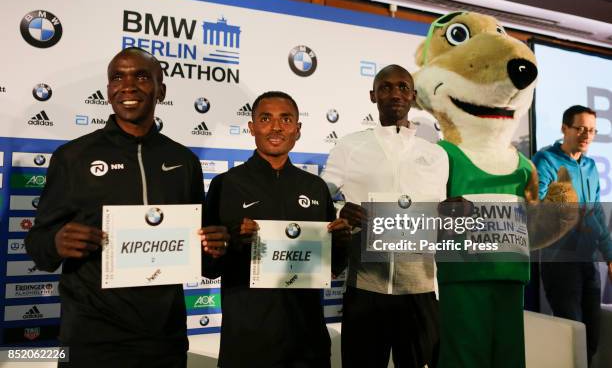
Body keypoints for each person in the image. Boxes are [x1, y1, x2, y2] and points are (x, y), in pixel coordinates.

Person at [25, 47, 229, 367]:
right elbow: (37, 245)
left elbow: (200, 255)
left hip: (164, 339)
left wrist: (215, 249)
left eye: (142, 76)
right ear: (108, 91)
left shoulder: (184, 161)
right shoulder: (73, 156)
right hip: (91, 339)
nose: (128, 85)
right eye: (118, 77)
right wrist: (56, 241)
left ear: (161, 90)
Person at [203, 91, 350, 368]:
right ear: (251, 127)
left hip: (307, 342)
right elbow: (207, 267)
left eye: (286, 119)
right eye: (265, 118)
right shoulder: (226, 185)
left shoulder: (315, 188)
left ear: (298, 129)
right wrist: (229, 240)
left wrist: (341, 243)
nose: (276, 127)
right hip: (248, 342)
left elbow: (333, 267)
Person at [321, 64, 448, 368]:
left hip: (421, 292)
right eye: (386, 87)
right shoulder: (350, 145)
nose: (395, 94)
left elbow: (440, 217)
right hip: (365, 289)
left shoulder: (436, 154)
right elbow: (319, 197)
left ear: (413, 96)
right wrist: (340, 211)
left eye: (403, 87)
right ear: (372, 95)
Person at [533, 105, 612, 366]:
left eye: (591, 130)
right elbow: (538, 206)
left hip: (588, 262)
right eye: (580, 128)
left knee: (591, 339)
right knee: (571, 335)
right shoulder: (545, 160)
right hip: (560, 263)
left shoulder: (589, 166)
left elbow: (598, 214)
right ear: (564, 128)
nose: (586, 135)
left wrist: (610, 255)